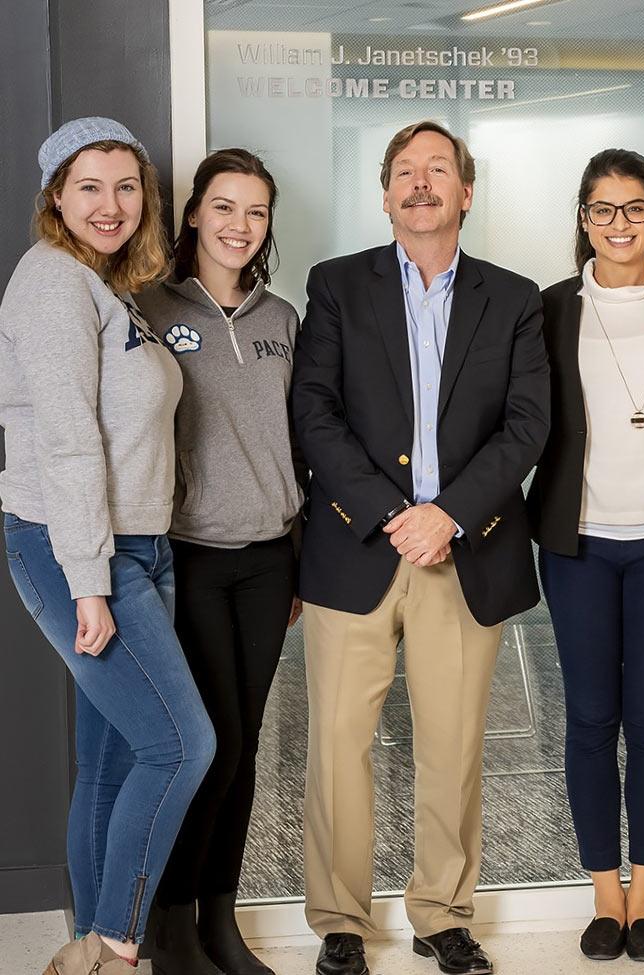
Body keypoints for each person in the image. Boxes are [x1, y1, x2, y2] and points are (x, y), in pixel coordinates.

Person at [291, 120, 550, 975]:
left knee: (453, 744)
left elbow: (526, 426)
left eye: (438, 169)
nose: (421, 182)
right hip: (354, 546)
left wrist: (448, 514)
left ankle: (443, 912)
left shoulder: (513, 298)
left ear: (465, 192)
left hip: (464, 551)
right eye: (404, 170)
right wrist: (390, 512)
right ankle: (339, 918)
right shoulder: (335, 286)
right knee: (337, 745)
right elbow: (314, 412)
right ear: (385, 193)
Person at [0, 118, 215, 975]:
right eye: (89, 186)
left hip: (135, 543)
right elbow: (67, 439)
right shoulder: (53, 282)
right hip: (77, 546)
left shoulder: (105, 289)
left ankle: (80, 948)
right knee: (180, 744)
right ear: (56, 195)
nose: (111, 204)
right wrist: (89, 578)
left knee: (115, 753)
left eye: (128, 187)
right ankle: (118, 952)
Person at [525, 149, 644, 963]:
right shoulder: (551, 308)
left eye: (633, 208)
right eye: (601, 210)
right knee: (589, 719)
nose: (619, 224)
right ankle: (605, 896)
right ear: (582, 220)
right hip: (580, 543)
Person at [136, 148, 304, 975]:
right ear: (194, 213)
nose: (241, 226)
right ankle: (168, 927)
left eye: (257, 212)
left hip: (271, 559)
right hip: (190, 556)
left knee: (245, 745)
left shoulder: (282, 318)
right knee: (212, 743)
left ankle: (219, 920)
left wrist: (301, 553)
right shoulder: (147, 308)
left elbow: (295, 441)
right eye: (225, 207)